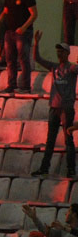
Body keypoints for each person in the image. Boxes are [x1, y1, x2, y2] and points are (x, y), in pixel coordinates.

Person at [32, 33, 78, 178]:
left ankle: (71, 169)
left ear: (67, 53)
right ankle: (45, 168)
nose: (59, 53)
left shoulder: (71, 68)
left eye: (62, 51)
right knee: (50, 140)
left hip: (66, 108)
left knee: (68, 139)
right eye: (58, 51)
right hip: (54, 107)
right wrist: (37, 43)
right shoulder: (54, 67)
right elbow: (37, 59)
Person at [0, 0, 41, 90]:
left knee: (23, 59)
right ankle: (11, 84)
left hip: (22, 33)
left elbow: (34, 14)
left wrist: (24, 27)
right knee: (10, 59)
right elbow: (5, 12)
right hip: (9, 32)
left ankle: (25, 86)